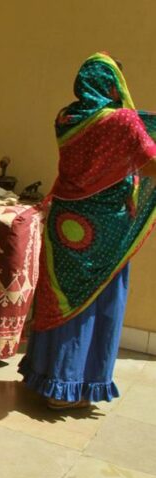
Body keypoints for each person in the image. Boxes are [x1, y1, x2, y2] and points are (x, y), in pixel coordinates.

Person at [19, 53, 156, 410]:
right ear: (115, 85)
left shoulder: (67, 118)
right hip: (106, 232)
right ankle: (71, 389)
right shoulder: (123, 122)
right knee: (96, 301)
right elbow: (150, 162)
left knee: (63, 298)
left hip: (66, 226)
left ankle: (47, 378)